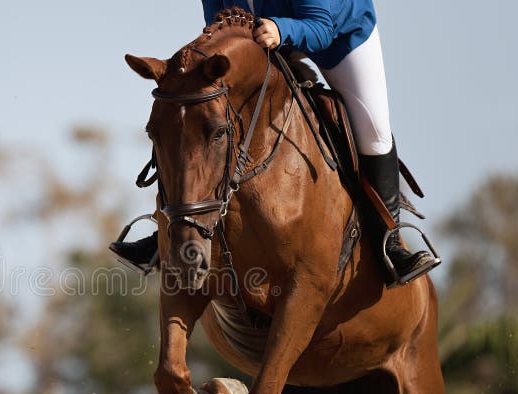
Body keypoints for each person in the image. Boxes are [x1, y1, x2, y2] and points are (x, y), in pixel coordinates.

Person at [110, 0, 440, 286]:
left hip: (338, 35)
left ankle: (391, 242)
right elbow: (218, 28)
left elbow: (321, 27)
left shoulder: (332, 29)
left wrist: (281, 30)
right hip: (263, 41)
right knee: (201, 121)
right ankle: (166, 233)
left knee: (373, 131)